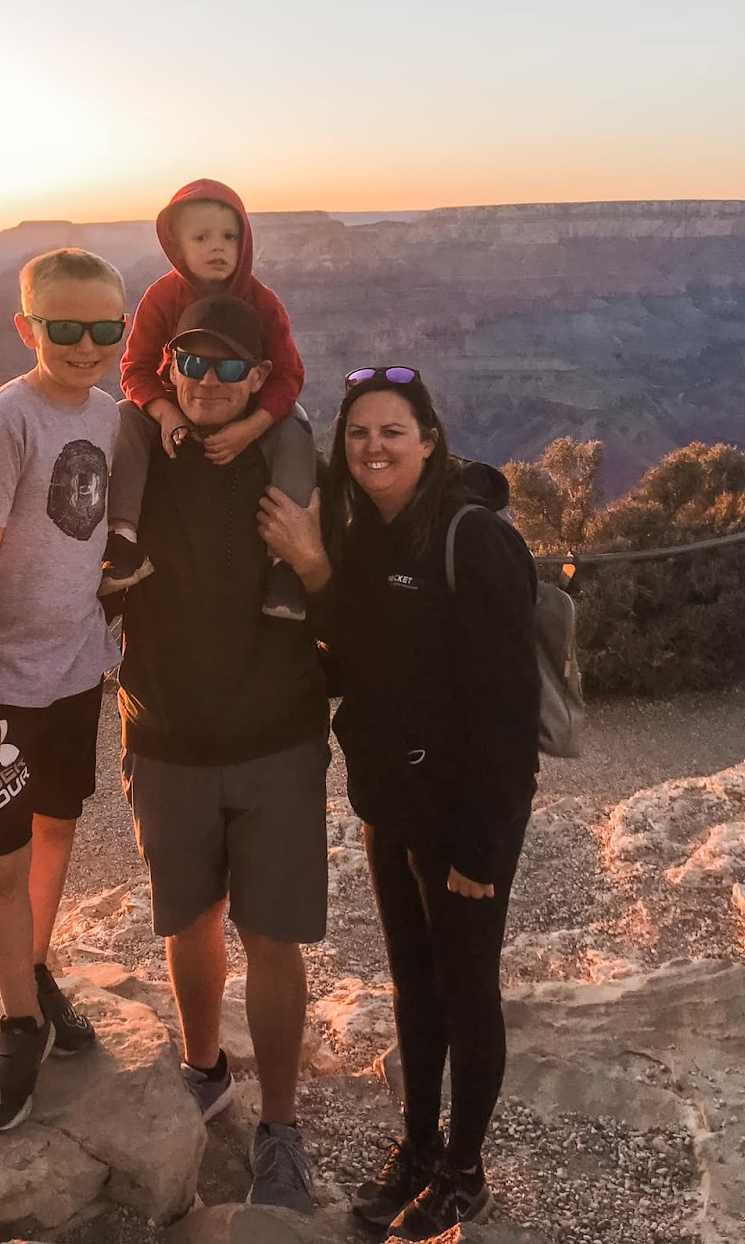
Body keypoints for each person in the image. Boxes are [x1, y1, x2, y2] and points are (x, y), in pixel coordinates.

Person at [258, 367, 540, 1243]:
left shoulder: (472, 539)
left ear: (429, 441)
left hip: (463, 814)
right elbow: (366, 660)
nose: (373, 448)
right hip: (391, 802)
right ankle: (419, 1148)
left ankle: (465, 1173)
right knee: (415, 988)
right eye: (358, 434)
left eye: (392, 432)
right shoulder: (368, 533)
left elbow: (507, 714)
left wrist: (482, 850)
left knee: (467, 992)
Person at [115, 295, 330, 1212]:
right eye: (191, 363)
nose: (208, 381)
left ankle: (279, 1128)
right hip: (166, 734)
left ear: (260, 377)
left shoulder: (289, 459)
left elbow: (343, 593)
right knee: (189, 921)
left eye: (229, 365)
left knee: (272, 938)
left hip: (278, 738)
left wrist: (312, 565)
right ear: (167, 368)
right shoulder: (139, 450)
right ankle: (205, 1072)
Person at [0, 247, 128, 1133]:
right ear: (28, 327)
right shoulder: (5, 420)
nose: (86, 345)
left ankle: (35, 967)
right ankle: (18, 1025)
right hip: (2, 686)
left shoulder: (113, 418)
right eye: (66, 328)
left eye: (105, 328)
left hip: (75, 671)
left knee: (57, 825)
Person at [102, 178, 315, 619]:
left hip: (249, 410)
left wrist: (251, 428)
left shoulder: (262, 301)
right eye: (201, 238)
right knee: (124, 415)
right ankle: (123, 542)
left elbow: (288, 374)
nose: (217, 247)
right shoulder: (162, 296)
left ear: (244, 241)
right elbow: (135, 369)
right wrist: (165, 413)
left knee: (294, 422)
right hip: (173, 404)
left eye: (229, 236)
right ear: (177, 245)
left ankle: (284, 566)